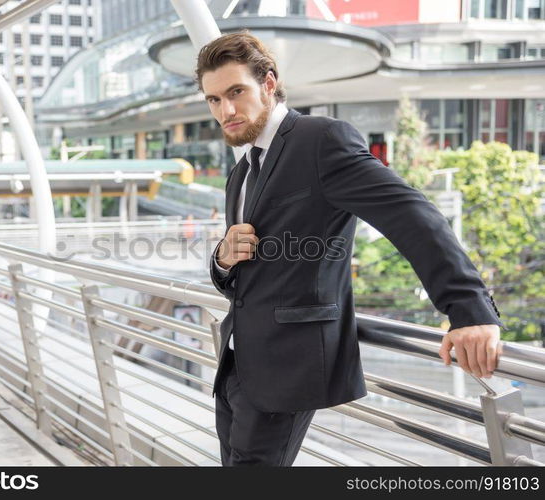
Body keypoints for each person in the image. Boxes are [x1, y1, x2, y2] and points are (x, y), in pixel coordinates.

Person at [198, 32, 504, 467]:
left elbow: (412, 215)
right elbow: (239, 281)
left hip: (286, 366)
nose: (225, 110)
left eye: (236, 92)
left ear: (268, 82)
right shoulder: (241, 172)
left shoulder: (320, 140)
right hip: (236, 363)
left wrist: (469, 308)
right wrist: (224, 257)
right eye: (213, 100)